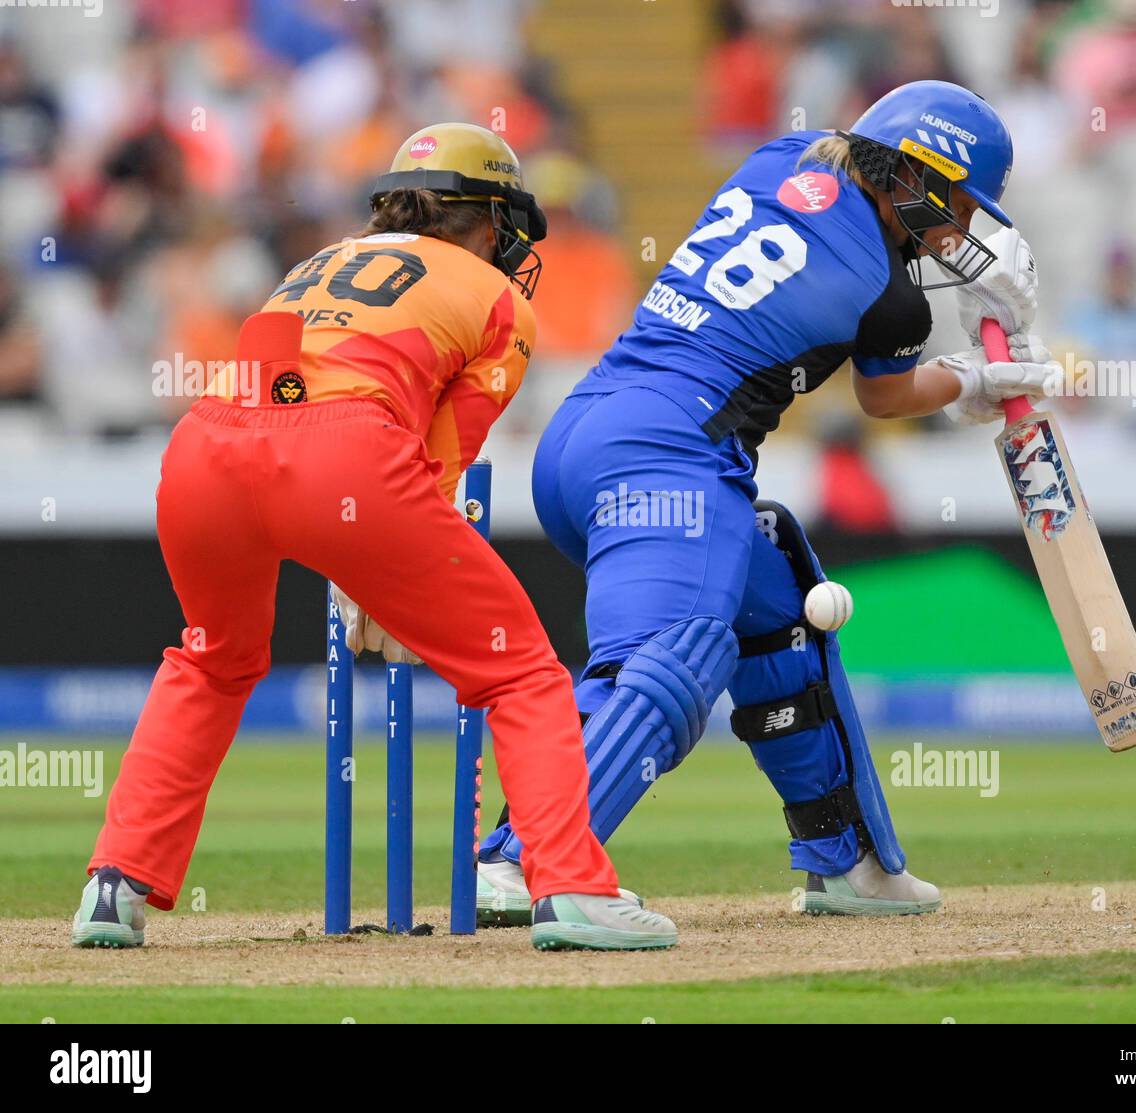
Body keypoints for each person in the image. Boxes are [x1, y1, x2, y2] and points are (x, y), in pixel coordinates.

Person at [74, 123, 676, 952]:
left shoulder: (314, 261)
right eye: (505, 224)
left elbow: (271, 374)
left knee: (210, 657)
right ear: (485, 219)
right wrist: (373, 579)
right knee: (522, 669)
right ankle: (571, 887)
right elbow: (440, 460)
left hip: (204, 448)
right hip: (346, 453)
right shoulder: (501, 300)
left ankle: (115, 885)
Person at [475, 81, 1059, 923]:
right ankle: (526, 858)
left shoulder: (776, 159)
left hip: (585, 435)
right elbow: (887, 398)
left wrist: (959, 362)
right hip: (667, 459)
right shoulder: (887, 294)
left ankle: (848, 860)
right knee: (672, 657)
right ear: (918, 178)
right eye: (960, 207)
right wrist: (975, 375)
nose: (961, 232)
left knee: (779, 603)